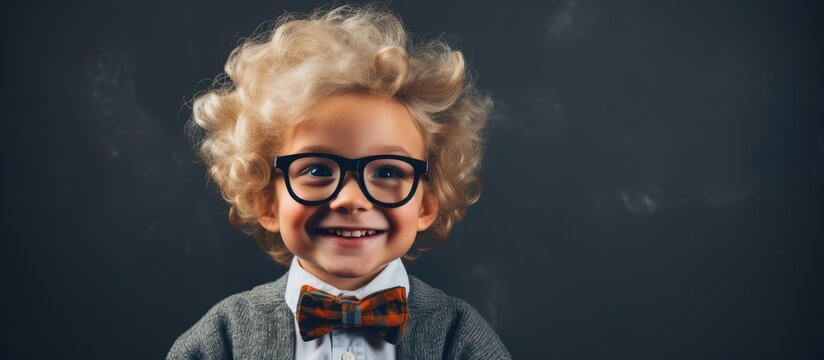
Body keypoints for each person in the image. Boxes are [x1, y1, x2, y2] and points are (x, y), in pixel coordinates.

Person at [168, 4, 510, 359]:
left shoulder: (459, 337)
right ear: (266, 199)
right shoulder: (223, 338)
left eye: (388, 172)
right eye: (316, 170)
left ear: (427, 202)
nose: (350, 199)